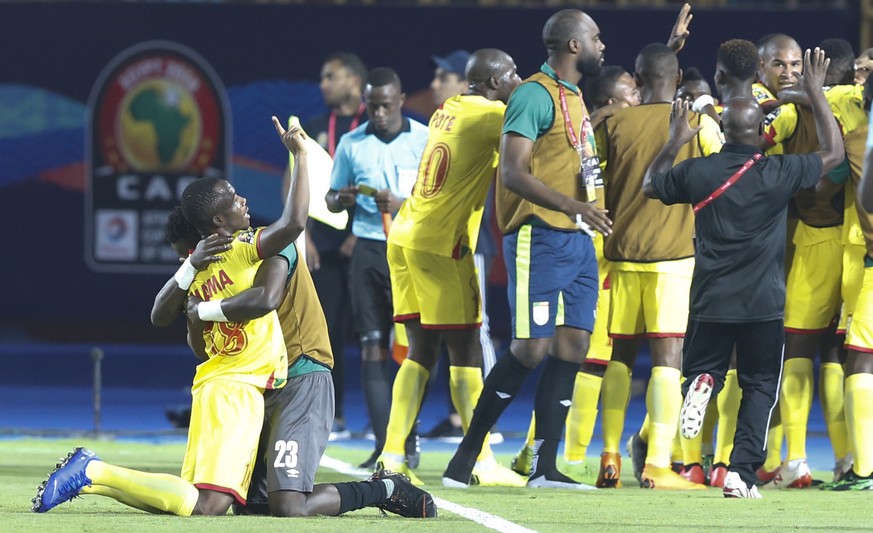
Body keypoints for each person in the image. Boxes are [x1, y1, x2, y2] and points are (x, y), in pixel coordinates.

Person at [33, 119, 305, 516]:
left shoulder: (199, 267)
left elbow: (172, 324)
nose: (242, 200)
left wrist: (193, 287)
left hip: (215, 385)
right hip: (234, 390)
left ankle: (92, 480)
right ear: (218, 221)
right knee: (209, 505)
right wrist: (299, 157)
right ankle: (94, 470)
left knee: (191, 500)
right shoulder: (244, 247)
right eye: (233, 198)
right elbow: (296, 223)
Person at [158, 195, 436, 518]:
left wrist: (203, 310)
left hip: (301, 374)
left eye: (187, 254)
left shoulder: (263, 244)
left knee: (289, 505)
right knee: (251, 505)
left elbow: (267, 297)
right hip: (258, 385)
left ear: (209, 236)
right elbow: (180, 332)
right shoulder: (207, 274)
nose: (185, 260)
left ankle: (382, 488)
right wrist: (192, 283)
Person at [644, 48, 843, 498]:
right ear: (759, 131)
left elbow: (649, 186)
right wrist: (814, 91)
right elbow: (832, 153)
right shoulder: (779, 170)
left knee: (701, 368)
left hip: (711, 298)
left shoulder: (698, 171)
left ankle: (702, 382)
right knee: (757, 387)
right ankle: (740, 473)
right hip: (762, 303)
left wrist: (675, 140)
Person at [442, 8, 611, 490]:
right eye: (596, 38)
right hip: (538, 235)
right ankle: (464, 460)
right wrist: (573, 205)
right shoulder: (534, 95)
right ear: (573, 46)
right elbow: (513, 172)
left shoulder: (575, 97)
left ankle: (545, 466)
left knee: (574, 345)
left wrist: (584, 213)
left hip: (578, 239)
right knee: (531, 348)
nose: (603, 46)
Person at [378, 48, 524, 488]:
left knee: (421, 350)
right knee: (465, 352)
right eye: (514, 73)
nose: (518, 79)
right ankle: (479, 459)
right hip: (442, 245)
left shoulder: (450, 108)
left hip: (405, 236)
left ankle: (390, 455)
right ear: (495, 82)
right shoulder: (490, 117)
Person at [592, 42, 722, 491]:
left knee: (620, 356)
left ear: (637, 79)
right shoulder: (697, 124)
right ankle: (658, 465)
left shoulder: (614, 122)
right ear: (680, 75)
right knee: (668, 359)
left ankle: (608, 457)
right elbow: (725, 173)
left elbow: (587, 173)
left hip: (621, 255)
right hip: (674, 258)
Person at [511, 63, 640, 479]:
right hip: (587, 248)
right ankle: (555, 455)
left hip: (599, 246)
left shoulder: (590, 124)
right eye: (630, 96)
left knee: (583, 357)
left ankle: (544, 452)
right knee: (584, 358)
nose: (636, 102)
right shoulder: (594, 131)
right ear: (608, 104)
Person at [758, 38, 861, 489]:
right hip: (857, 245)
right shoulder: (860, 101)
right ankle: (849, 459)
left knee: (795, 348)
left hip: (812, 240)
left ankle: (793, 459)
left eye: (800, 66)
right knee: (842, 355)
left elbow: (774, 113)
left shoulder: (804, 104)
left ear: (818, 71)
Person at [326, 67, 429, 468]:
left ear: (401, 100)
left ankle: (409, 437)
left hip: (411, 251)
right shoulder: (352, 144)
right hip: (369, 251)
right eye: (372, 106)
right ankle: (385, 445)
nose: (379, 113)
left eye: (386, 105)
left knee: (415, 349)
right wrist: (341, 199)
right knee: (371, 347)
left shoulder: (423, 140)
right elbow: (331, 198)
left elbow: (440, 197)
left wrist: (404, 205)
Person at [296, 52, 368, 441]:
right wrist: (302, 234)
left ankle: (388, 421)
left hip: (371, 240)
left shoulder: (375, 124)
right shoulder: (311, 128)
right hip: (321, 244)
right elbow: (295, 182)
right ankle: (333, 414)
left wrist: (362, 233)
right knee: (325, 331)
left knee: (383, 332)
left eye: (331, 76)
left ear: (354, 82)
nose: (323, 83)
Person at [826, 73, 873, 490]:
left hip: (870, 265)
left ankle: (864, 470)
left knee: (860, 359)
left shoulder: (858, 142)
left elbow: (827, 183)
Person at [753, 34, 803, 114]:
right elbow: (768, 108)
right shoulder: (754, 91)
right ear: (760, 66)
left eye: (794, 64)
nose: (788, 74)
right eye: (779, 65)